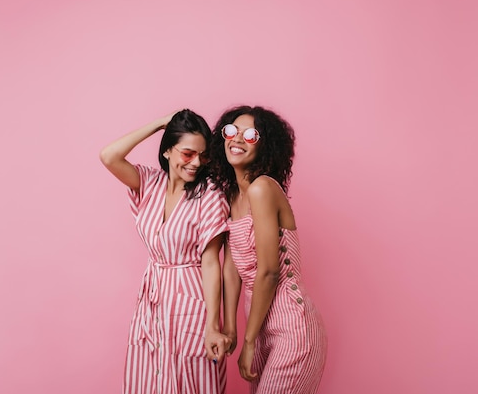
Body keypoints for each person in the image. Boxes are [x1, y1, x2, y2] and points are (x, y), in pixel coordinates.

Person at [100, 109, 232, 394]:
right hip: (152, 300)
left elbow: (211, 263)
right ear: (168, 150)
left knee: (190, 382)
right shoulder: (150, 183)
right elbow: (109, 156)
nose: (197, 162)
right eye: (188, 153)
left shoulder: (210, 195)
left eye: (203, 155)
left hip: (192, 300)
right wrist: (161, 123)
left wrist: (213, 325)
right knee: (150, 376)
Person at [209, 105, 327, 394]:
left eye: (250, 135)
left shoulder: (262, 189)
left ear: (265, 145)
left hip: (293, 328)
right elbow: (230, 268)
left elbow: (270, 272)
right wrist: (231, 328)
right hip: (259, 327)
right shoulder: (231, 195)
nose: (237, 139)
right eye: (231, 131)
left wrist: (247, 342)